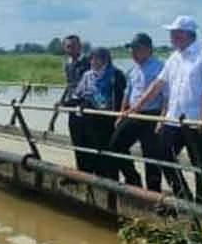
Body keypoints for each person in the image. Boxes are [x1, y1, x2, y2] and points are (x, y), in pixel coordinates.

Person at [121, 15, 202, 209]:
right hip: (173, 119)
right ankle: (183, 196)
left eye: (174, 33)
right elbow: (158, 84)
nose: (171, 37)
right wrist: (135, 107)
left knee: (200, 166)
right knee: (161, 153)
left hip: (195, 120)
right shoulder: (174, 57)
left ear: (186, 34)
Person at [108, 33, 166, 190]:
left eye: (137, 49)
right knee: (115, 144)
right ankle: (133, 179)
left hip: (152, 114)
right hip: (134, 113)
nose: (133, 53)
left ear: (148, 50)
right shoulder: (133, 70)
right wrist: (121, 112)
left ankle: (154, 192)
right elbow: (128, 93)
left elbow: (166, 96)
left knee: (151, 156)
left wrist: (162, 119)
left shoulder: (160, 68)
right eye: (131, 50)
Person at [67, 48, 126, 179]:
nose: (92, 62)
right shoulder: (88, 75)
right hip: (88, 118)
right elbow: (78, 94)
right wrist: (68, 103)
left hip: (105, 119)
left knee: (105, 151)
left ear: (105, 60)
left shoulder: (115, 75)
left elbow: (117, 99)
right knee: (85, 145)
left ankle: (108, 177)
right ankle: (86, 174)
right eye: (91, 59)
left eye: (96, 59)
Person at [62, 34, 92, 173]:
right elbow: (69, 85)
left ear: (80, 46)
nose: (71, 49)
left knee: (88, 140)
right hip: (72, 106)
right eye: (68, 46)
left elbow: (91, 86)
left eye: (73, 46)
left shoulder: (87, 62)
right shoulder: (67, 64)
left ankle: (92, 172)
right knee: (76, 140)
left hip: (85, 106)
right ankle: (81, 172)